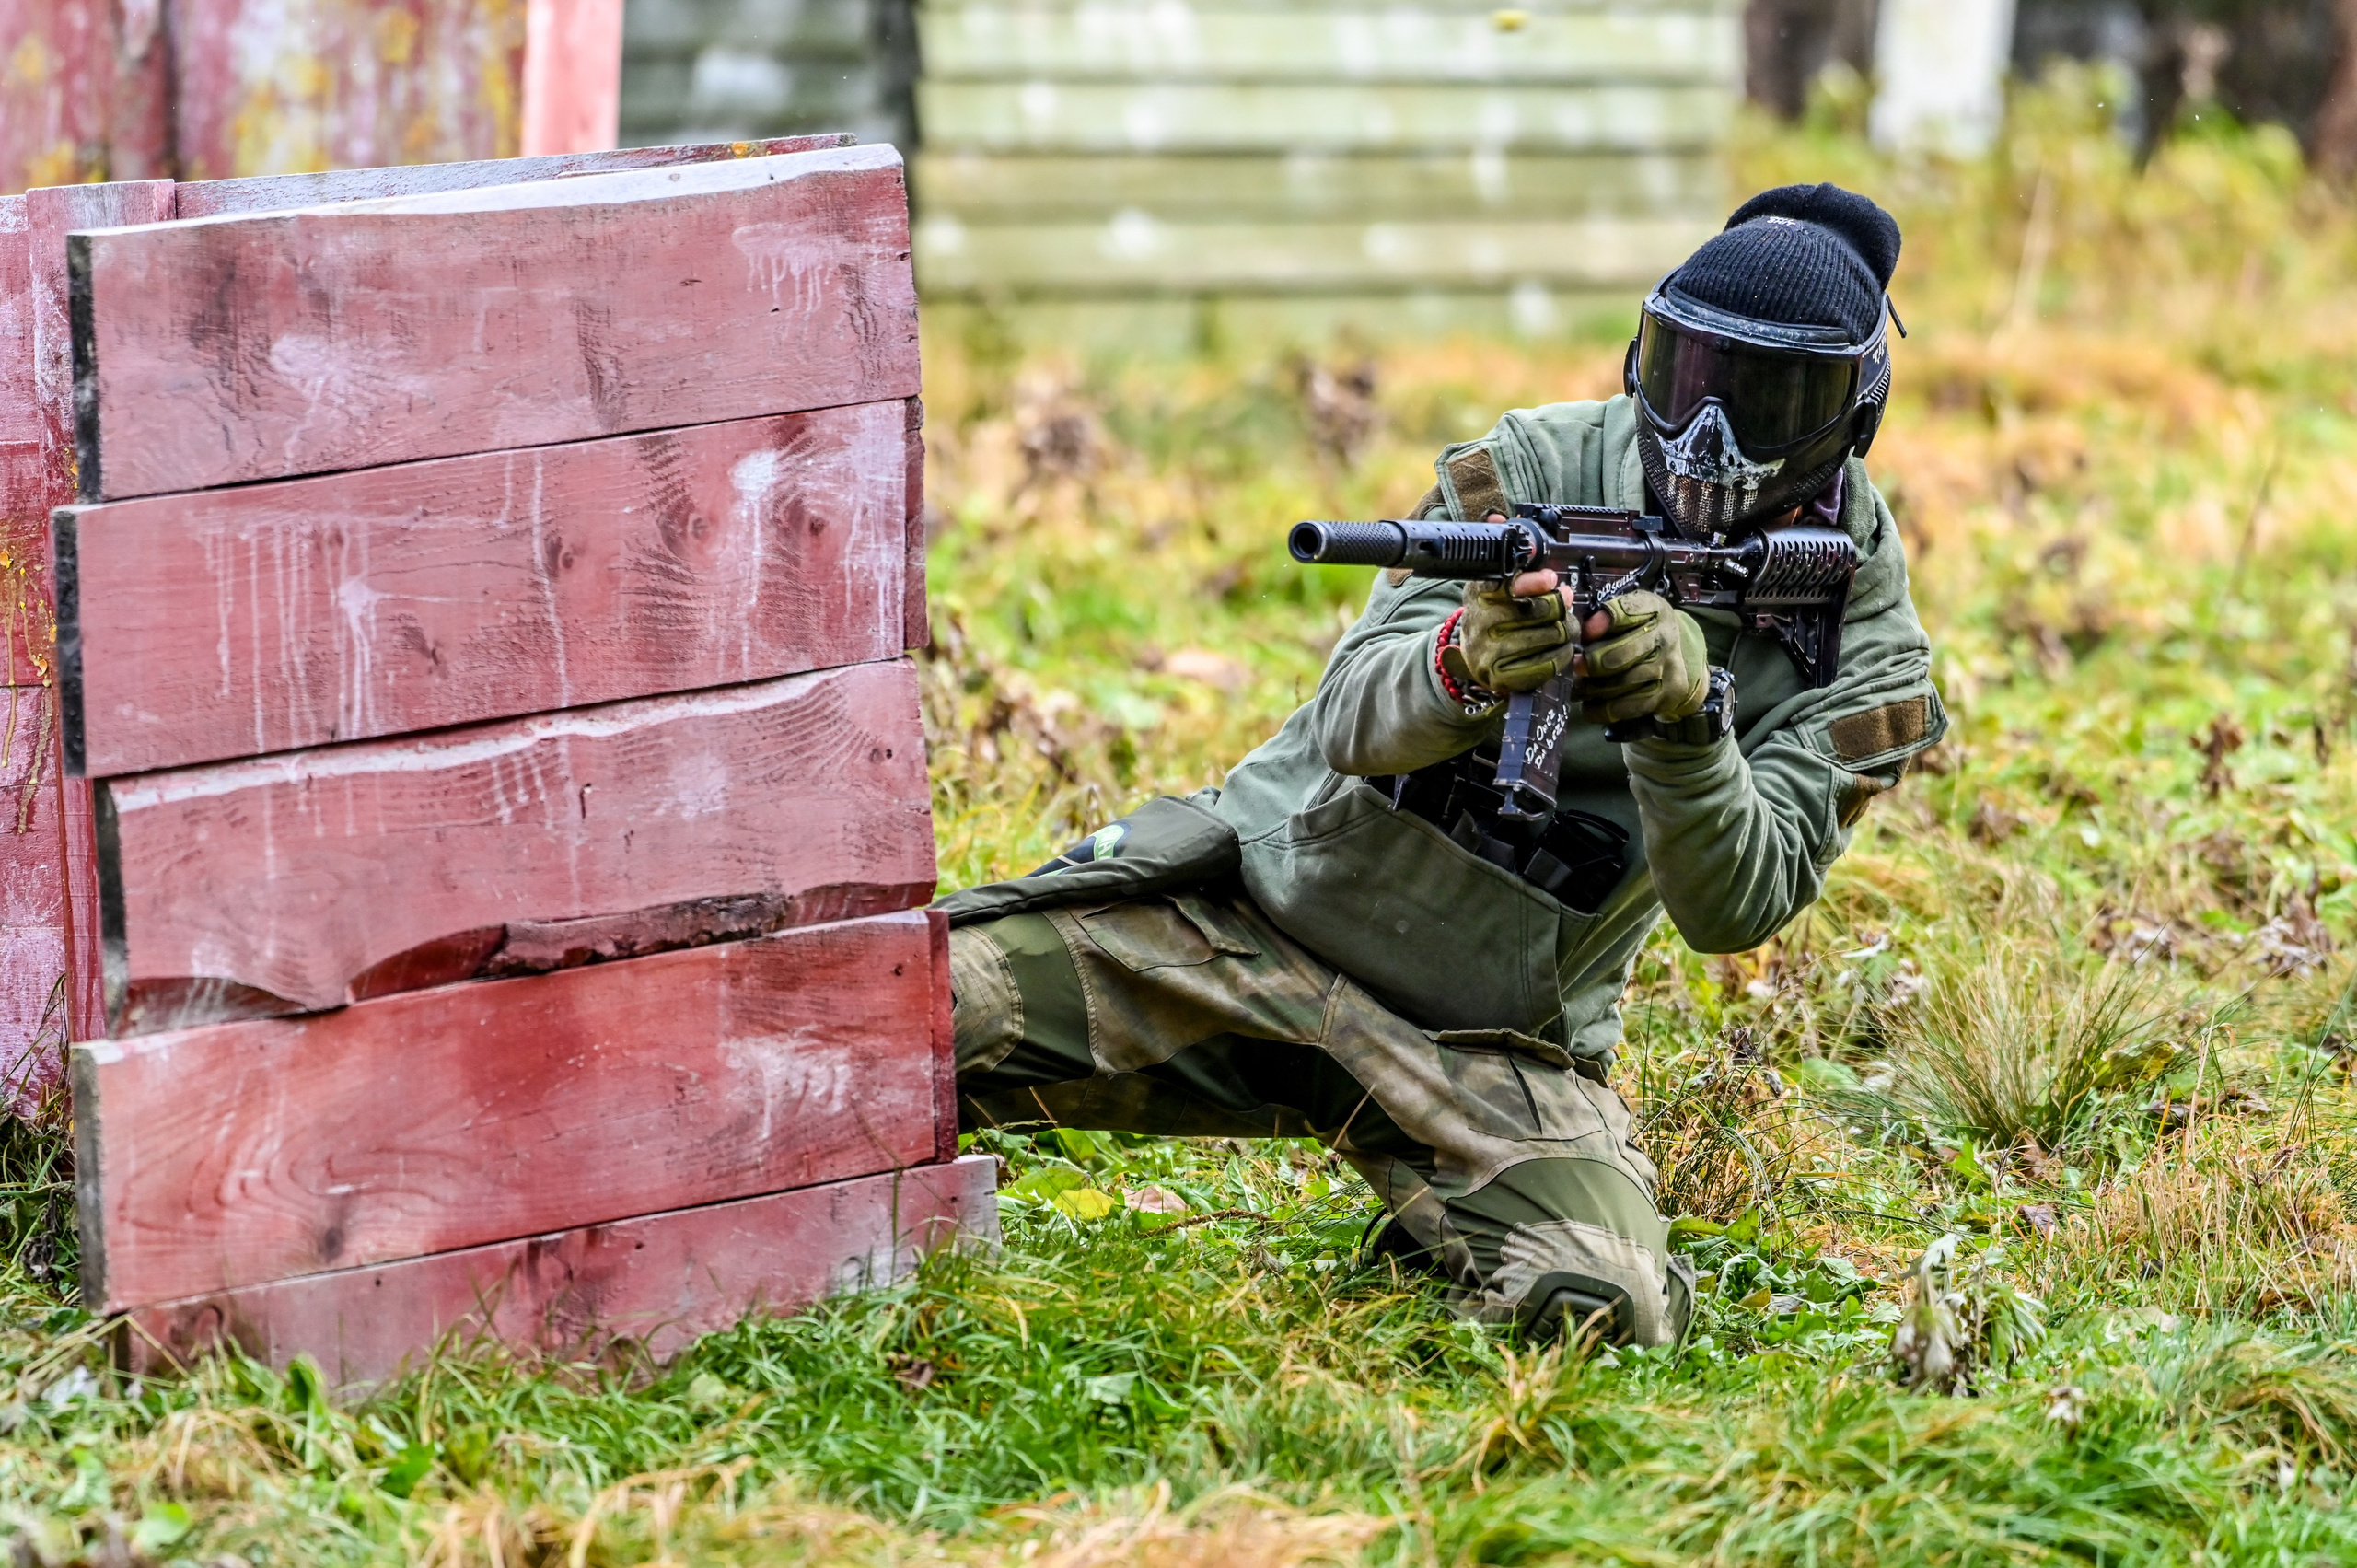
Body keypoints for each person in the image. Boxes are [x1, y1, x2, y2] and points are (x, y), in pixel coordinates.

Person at [936, 183, 1945, 1346]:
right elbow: (1350, 723)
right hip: (1242, 931)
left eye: (1766, 399)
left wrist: (1686, 727)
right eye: (1685, 375)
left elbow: (1737, 907)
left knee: (1597, 1309)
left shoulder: (1863, 644)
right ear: (1639, 351)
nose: (1707, 433)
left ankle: (1437, 1208)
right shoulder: (1532, 464)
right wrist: (1460, 667)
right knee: (893, 1021)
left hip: (1485, 1048)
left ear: (1850, 415)